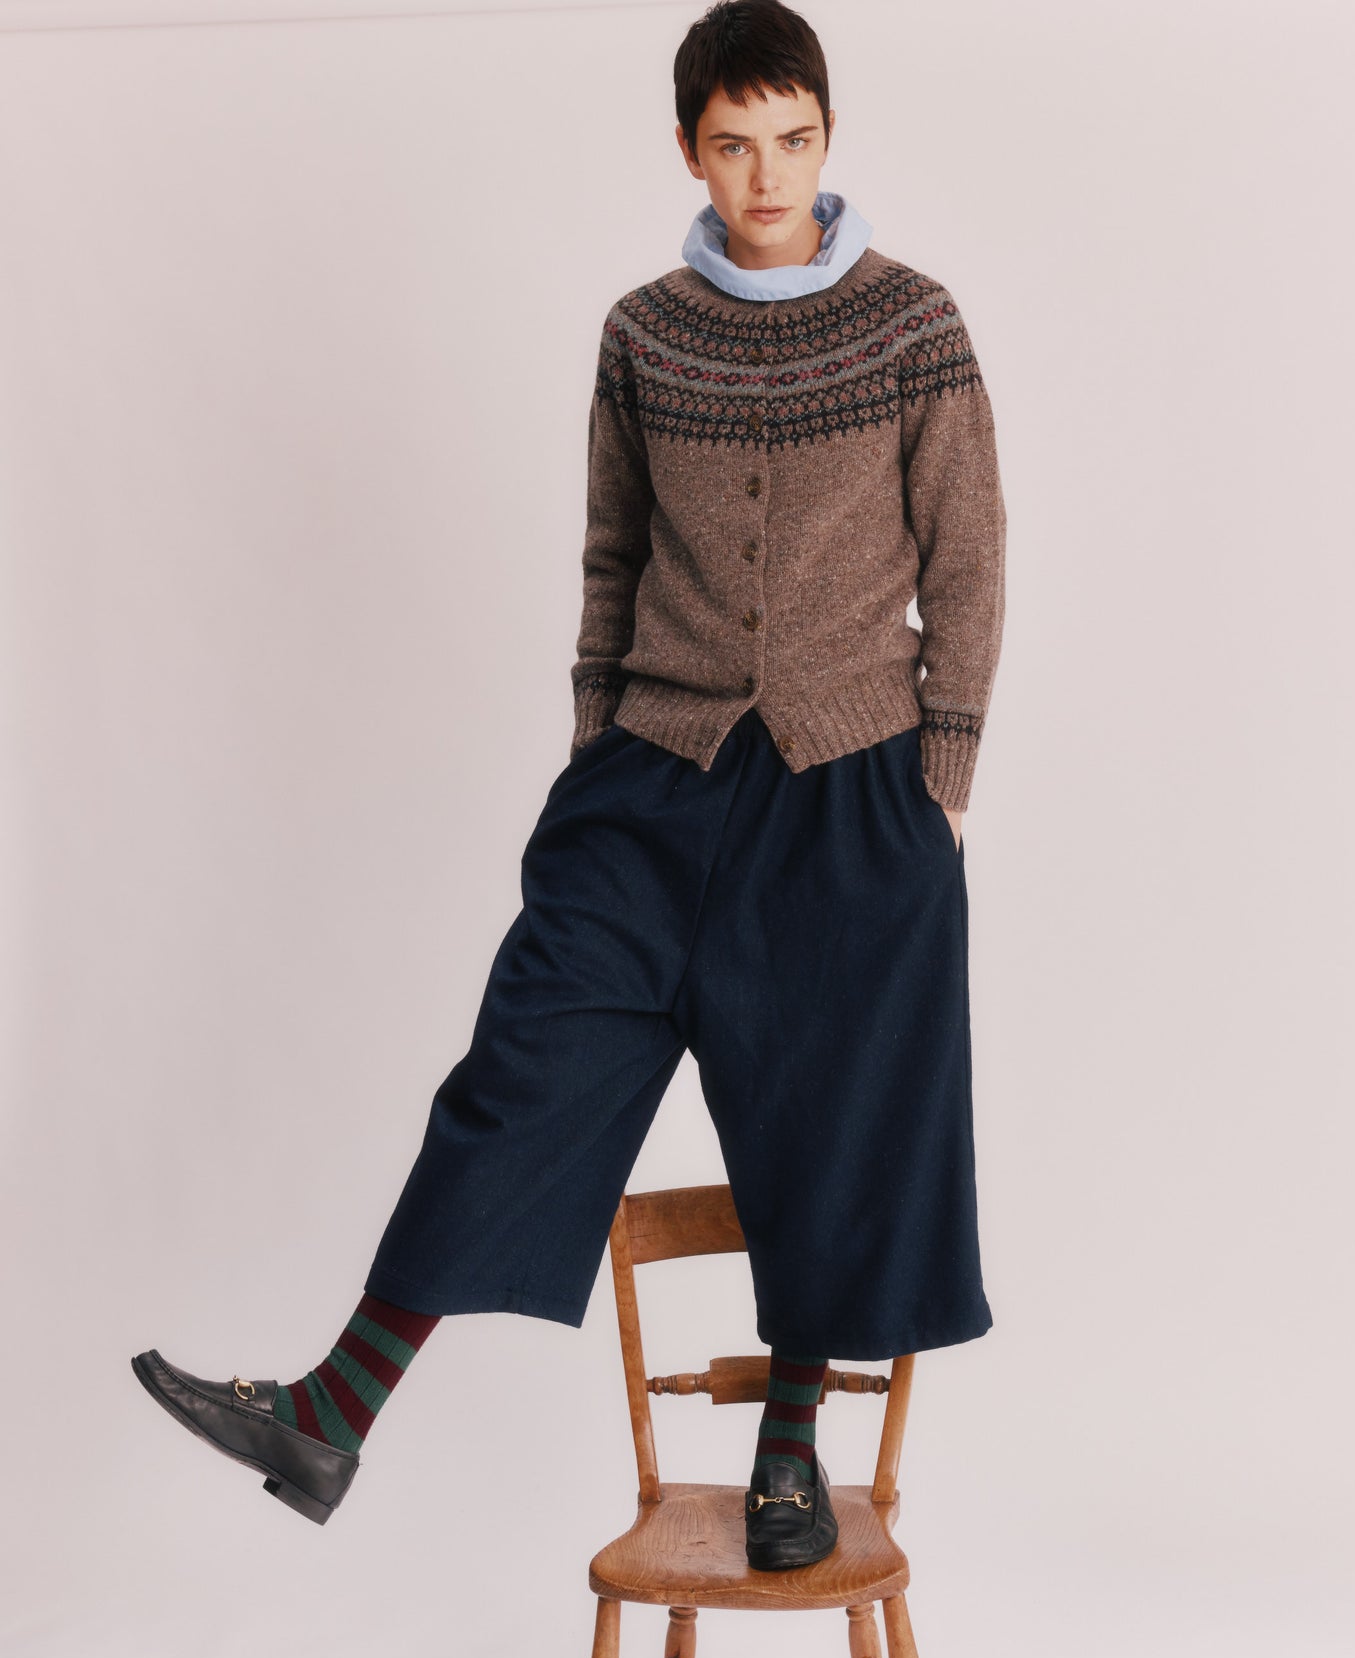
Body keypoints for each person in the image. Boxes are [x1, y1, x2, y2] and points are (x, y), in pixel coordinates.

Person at [131, 0, 1007, 1574]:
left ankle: (789, 1454)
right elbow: (610, 558)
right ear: (689, 147)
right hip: (650, 786)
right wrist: (592, 745)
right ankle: (333, 1412)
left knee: (817, 1120)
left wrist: (940, 776)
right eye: (733, 146)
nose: (765, 176)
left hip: (849, 787)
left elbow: (969, 555)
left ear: (826, 134)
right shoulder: (643, 332)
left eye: (791, 141)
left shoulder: (911, 326)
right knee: (519, 1073)